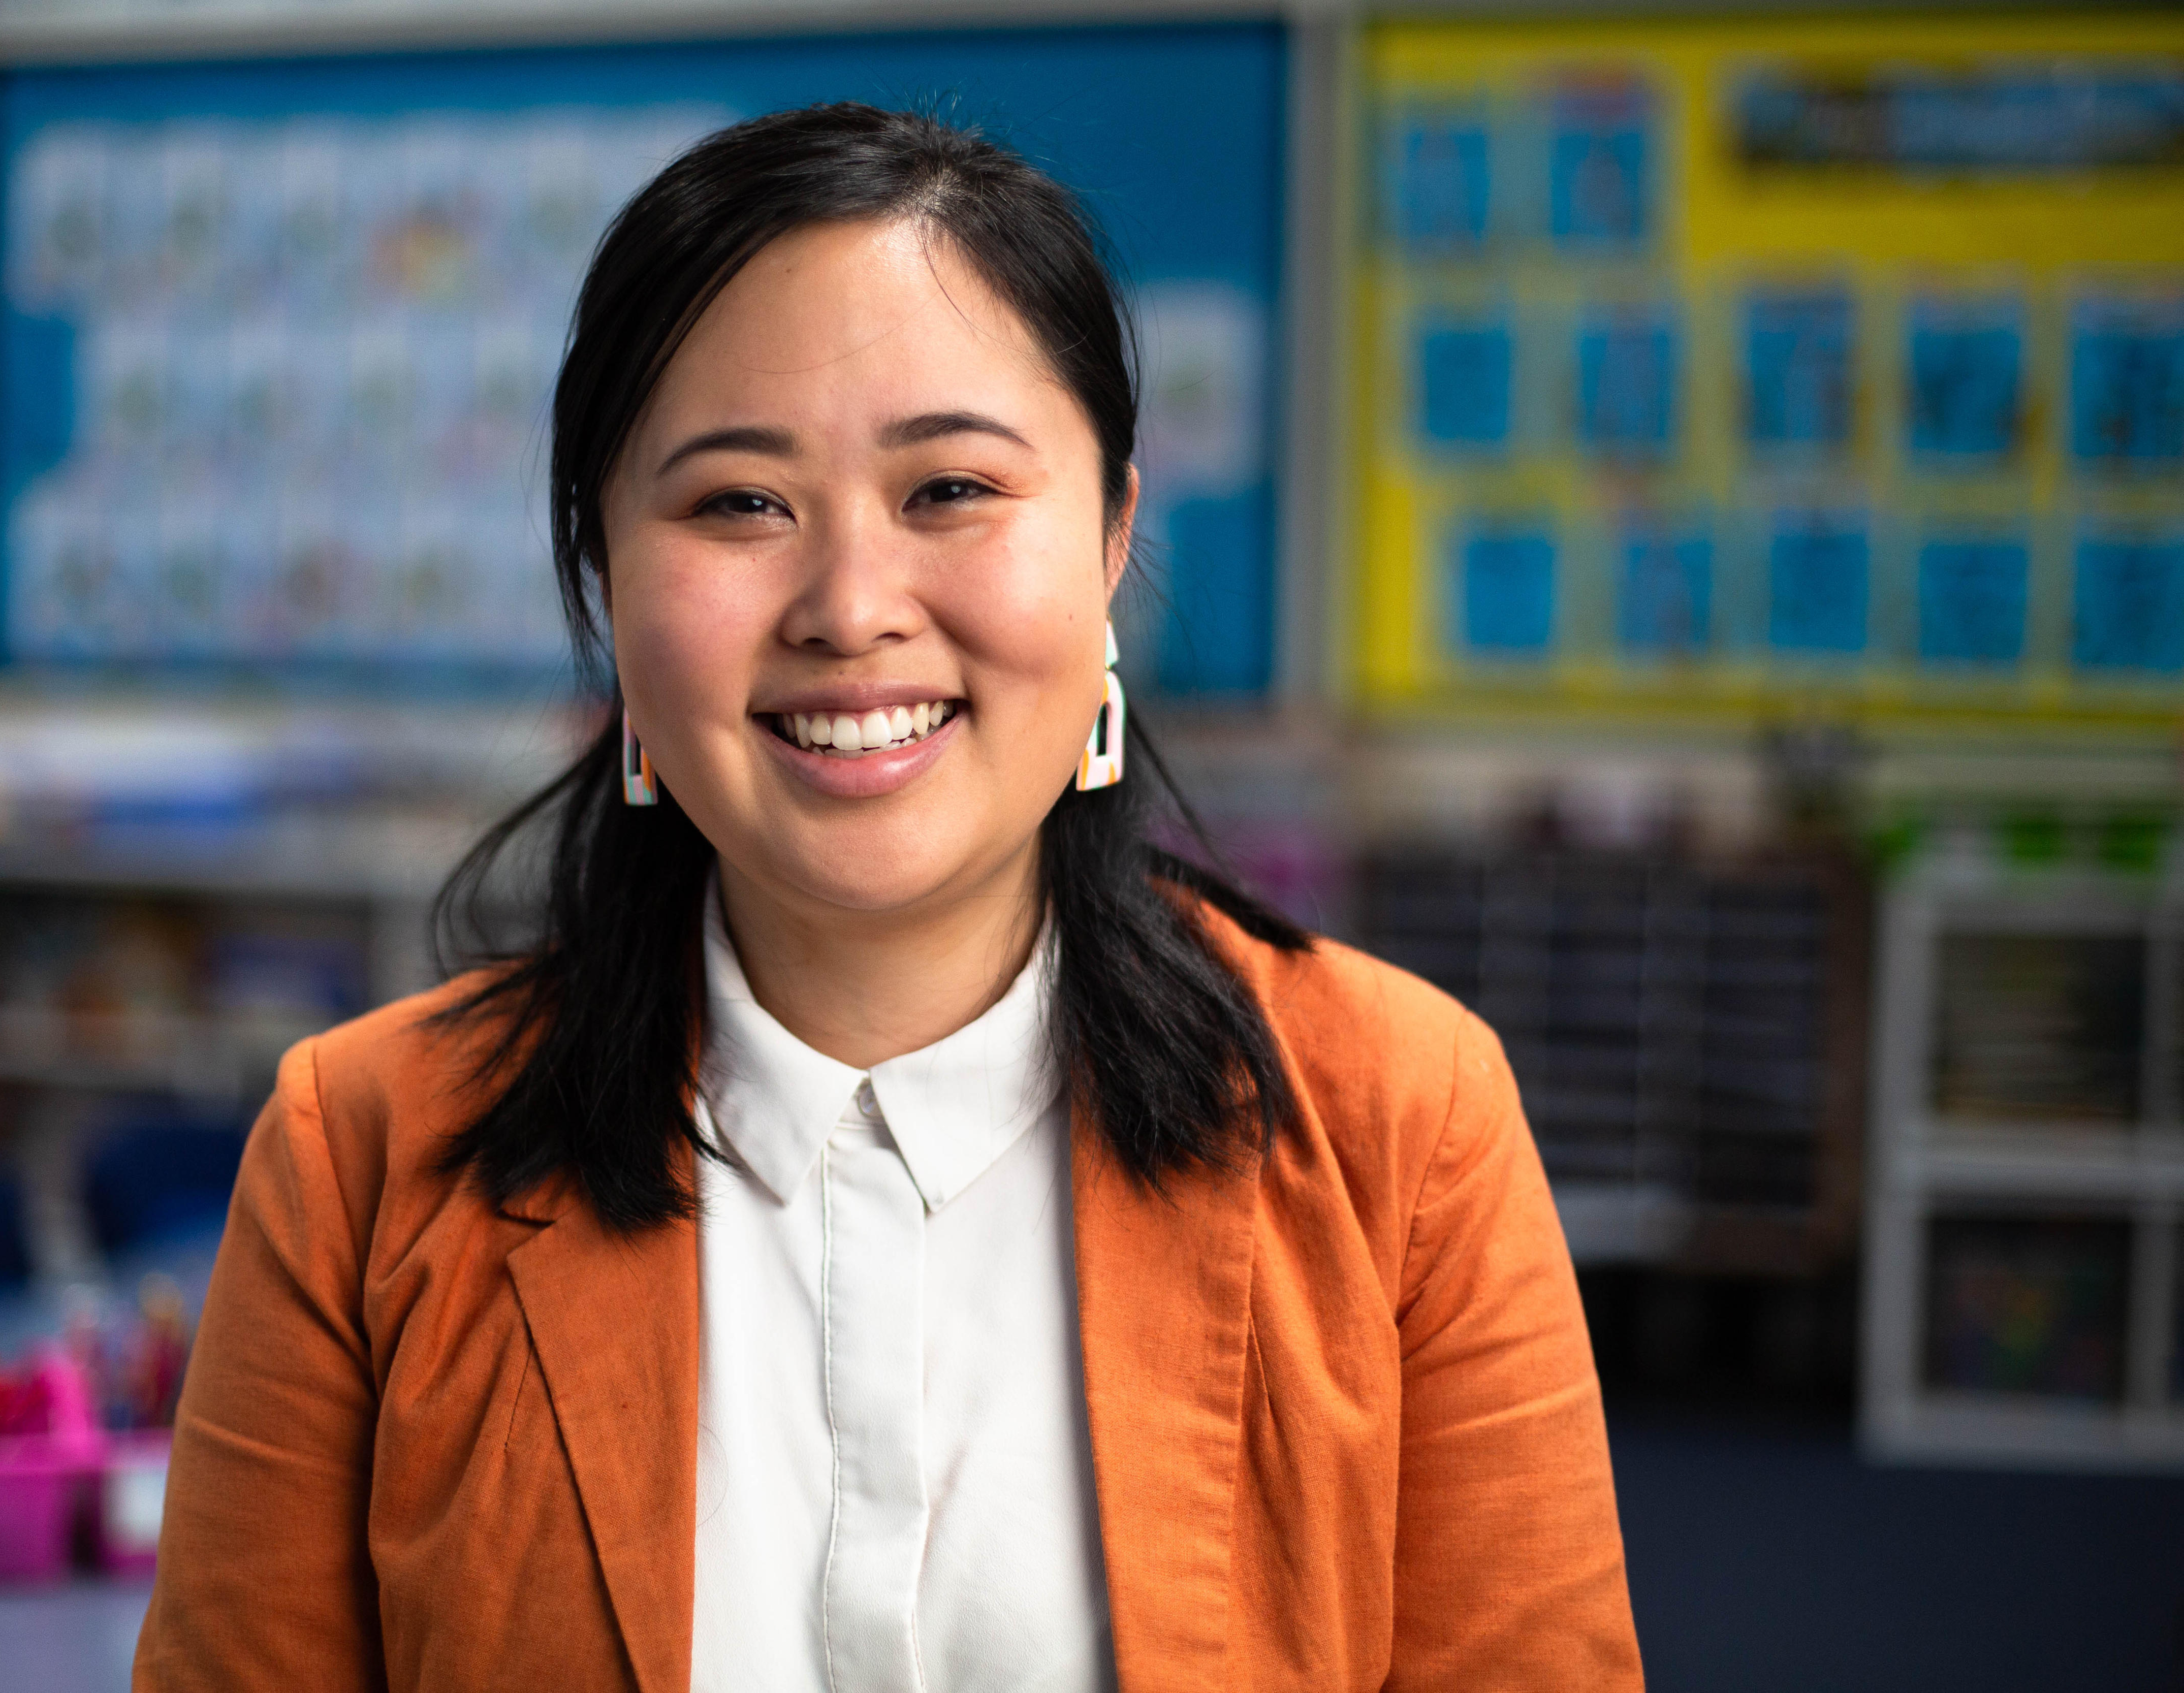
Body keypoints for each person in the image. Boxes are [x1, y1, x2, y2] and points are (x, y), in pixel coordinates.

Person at [135, 103, 1641, 1692]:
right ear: (604, 580)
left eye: (952, 491)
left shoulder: (1405, 1127)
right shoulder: (359, 1157)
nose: (851, 609)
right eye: (737, 504)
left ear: (1115, 534)